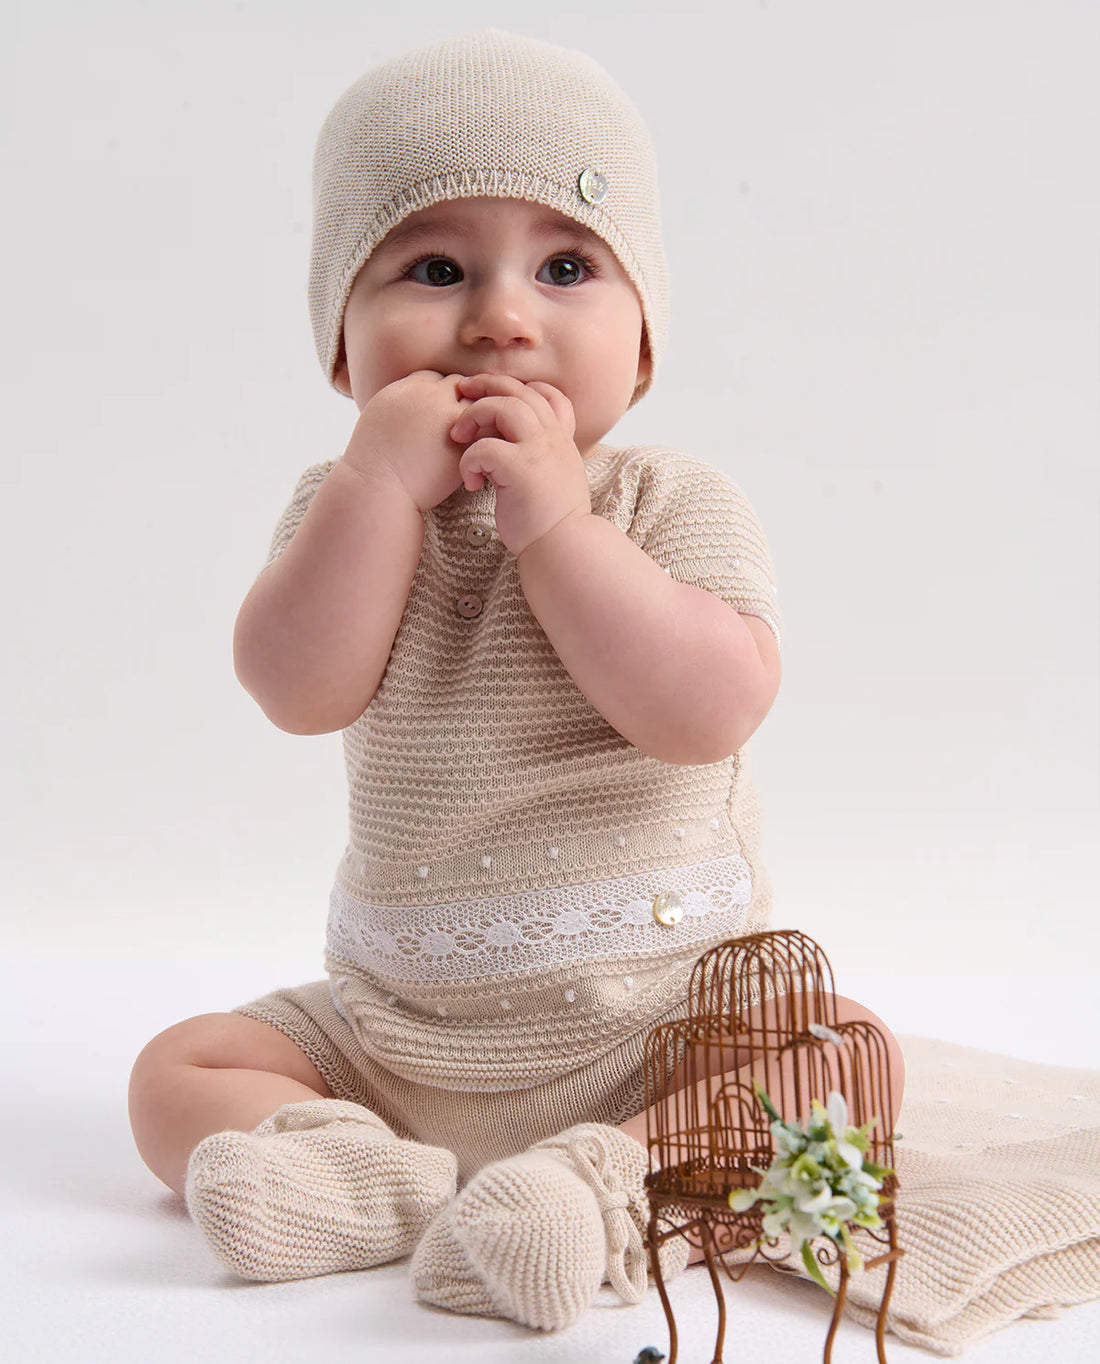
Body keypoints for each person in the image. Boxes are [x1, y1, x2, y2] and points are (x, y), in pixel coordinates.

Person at [127, 27, 905, 1331]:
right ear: (342, 351)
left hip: (656, 1030)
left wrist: (562, 533)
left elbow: (710, 706)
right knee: (174, 1076)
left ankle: (596, 1189)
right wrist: (379, 485)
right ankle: (367, 1178)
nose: (500, 316)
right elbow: (294, 685)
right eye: (435, 268)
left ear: (644, 346)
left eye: (565, 267)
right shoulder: (351, 505)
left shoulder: (666, 501)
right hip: (397, 1037)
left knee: (841, 1054)